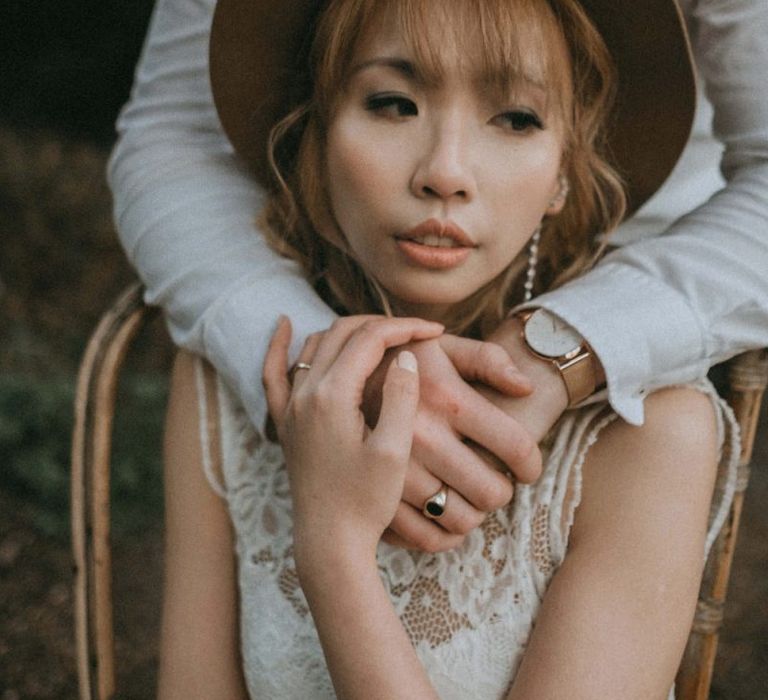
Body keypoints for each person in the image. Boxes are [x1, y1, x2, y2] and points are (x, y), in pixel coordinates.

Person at [159, 1, 739, 697]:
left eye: (516, 118)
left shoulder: (649, 433)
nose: (445, 171)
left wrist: (335, 553)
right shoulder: (223, 382)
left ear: (563, 172)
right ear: (315, 139)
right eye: (393, 103)